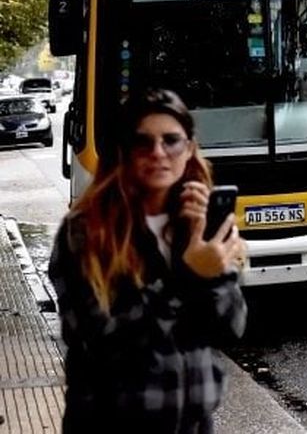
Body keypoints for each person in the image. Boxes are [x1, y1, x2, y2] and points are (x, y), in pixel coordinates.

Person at [48, 89, 248, 434]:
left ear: (189, 149)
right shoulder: (85, 231)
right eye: (143, 142)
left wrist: (212, 278)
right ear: (123, 151)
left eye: (171, 140)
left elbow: (231, 327)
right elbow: (100, 340)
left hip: (194, 423)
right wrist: (186, 277)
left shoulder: (198, 225)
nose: (158, 153)